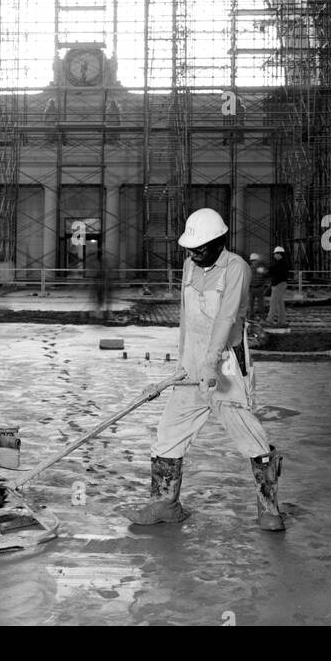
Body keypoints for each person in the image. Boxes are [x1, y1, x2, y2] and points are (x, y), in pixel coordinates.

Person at [122, 208, 284, 531]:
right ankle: (165, 503)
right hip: (193, 365)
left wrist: (210, 364)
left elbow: (226, 318)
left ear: (219, 241)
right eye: (189, 249)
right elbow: (187, 318)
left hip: (224, 366)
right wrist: (185, 362)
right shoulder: (189, 265)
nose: (193, 254)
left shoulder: (236, 268)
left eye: (200, 248)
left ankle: (269, 508)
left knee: (249, 435)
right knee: (169, 432)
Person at [266, 244, 290, 328]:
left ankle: (269, 321)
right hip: (280, 284)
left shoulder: (281, 263)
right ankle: (282, 322)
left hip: (279, 285)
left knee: (273, 303)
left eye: (275, 254)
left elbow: (272, 270)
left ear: (279, 254)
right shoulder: (282, 263)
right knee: (280, 304)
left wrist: (268, 270)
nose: (274, 255)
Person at [247, 250, 268, 321]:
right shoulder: (249, 268)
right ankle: (251, 316)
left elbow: (266, 277)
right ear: (251, 261)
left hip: (259, 288)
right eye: (253, 261)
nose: (254, 262)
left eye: (255, 261)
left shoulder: (260, 268)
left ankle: (261, 317)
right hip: (252, 288)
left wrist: (263, 286)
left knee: (260, 304)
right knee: (251, 304)